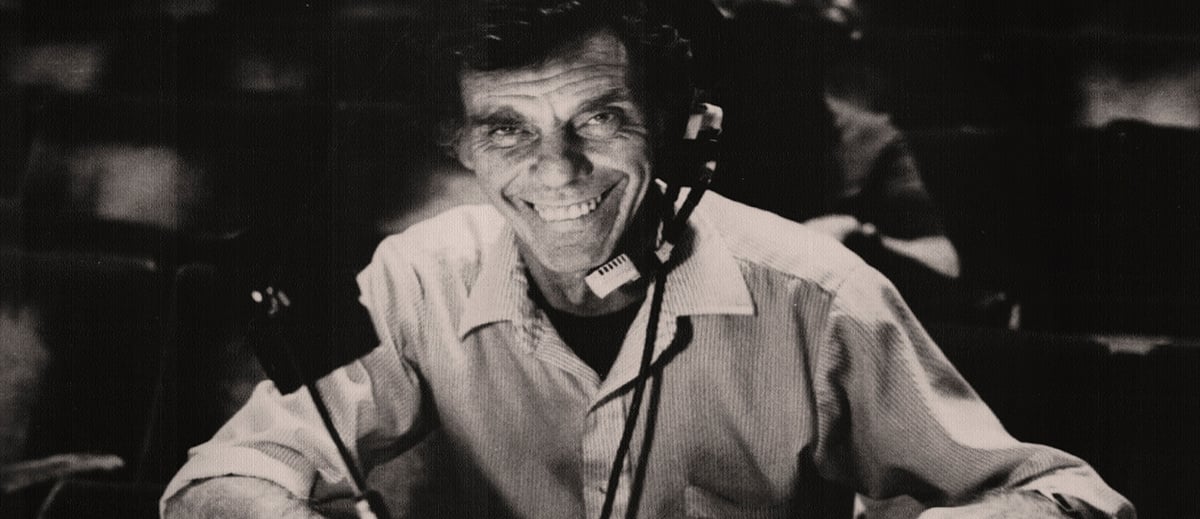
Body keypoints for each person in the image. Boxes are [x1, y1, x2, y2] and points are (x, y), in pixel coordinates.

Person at [161, 1, 1134, 517]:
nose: (557, 169)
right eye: (506, 128)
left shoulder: (820, 295)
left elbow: (1070, 496)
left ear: (674, 131)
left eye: (600, 118)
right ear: (459, 145)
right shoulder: (412, 277)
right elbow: (219, 477)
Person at [711, 1, 963, 320]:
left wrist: (856, 236)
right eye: (764, 34)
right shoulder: (706, 137)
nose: (786, 54)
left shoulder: (870, 138)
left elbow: (943, 261)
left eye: (803, 34)